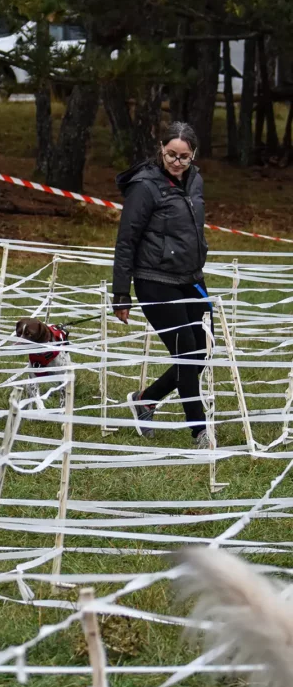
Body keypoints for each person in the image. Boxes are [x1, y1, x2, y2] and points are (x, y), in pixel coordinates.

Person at [111, 122, 211, 448]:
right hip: (155, 280)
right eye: (171, 155)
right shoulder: (145, 187)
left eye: (184, 156)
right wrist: (121, 293)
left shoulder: (195, 180)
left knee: (202, 351)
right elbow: (127, 240)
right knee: (186, 352)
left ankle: (146, 400)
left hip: (191, 279)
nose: (177, 162)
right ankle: (200, 430)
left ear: (193, 154)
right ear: (161, 148)